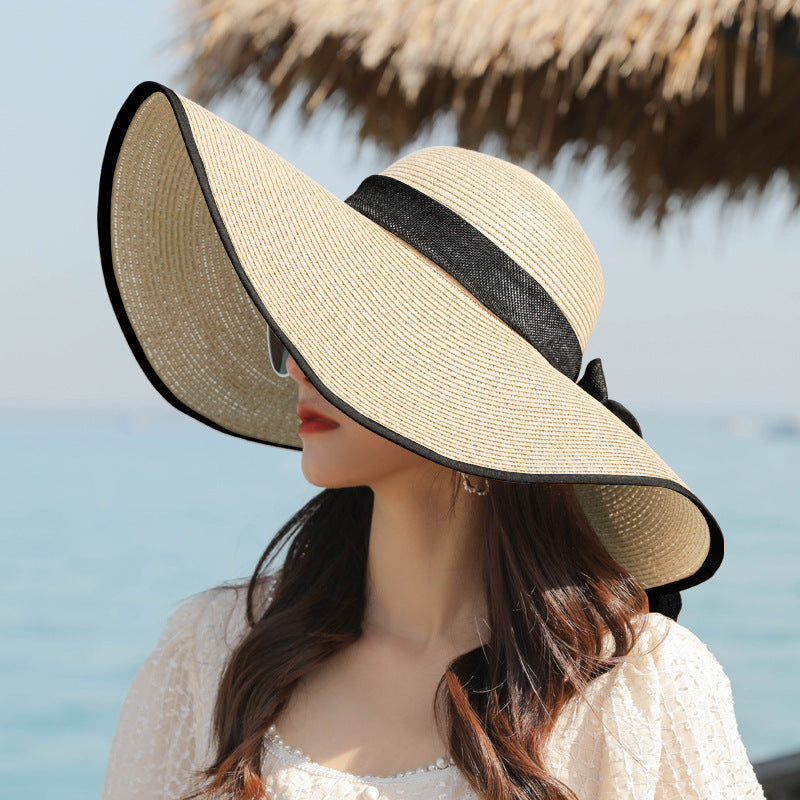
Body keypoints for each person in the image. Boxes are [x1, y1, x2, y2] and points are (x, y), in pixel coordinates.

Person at [97, 81, 767, 800]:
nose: (295, 364)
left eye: (345, 333)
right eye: (296, 326)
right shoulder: (210, 653)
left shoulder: (642, 690)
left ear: (473, 391)